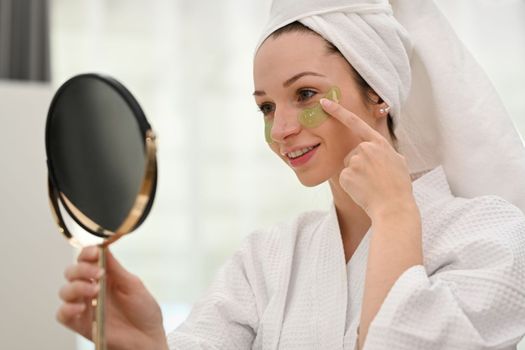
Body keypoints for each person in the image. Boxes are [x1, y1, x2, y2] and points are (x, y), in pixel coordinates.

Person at [57, 0, 525, 349]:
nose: (280, 129)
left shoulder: (491, 239)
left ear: (379, 92)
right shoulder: (268, 259)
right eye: (265, 106)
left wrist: (395, 214)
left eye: (304, 94)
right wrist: (151, 344)